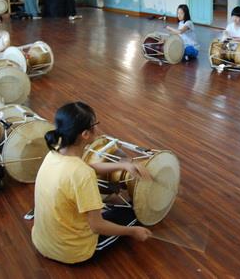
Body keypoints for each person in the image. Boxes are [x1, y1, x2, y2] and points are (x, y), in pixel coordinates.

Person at [32, 102, 152, 264]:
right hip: (72, 252)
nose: (98, 129)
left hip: (42, 241)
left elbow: (86, 168)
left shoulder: (54, 154)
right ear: (86, 134)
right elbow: (97, 226)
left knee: (102, 206)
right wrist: (132, 231)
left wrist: (123, 164)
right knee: (132, 211)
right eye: (95, 125)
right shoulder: (82, 174)